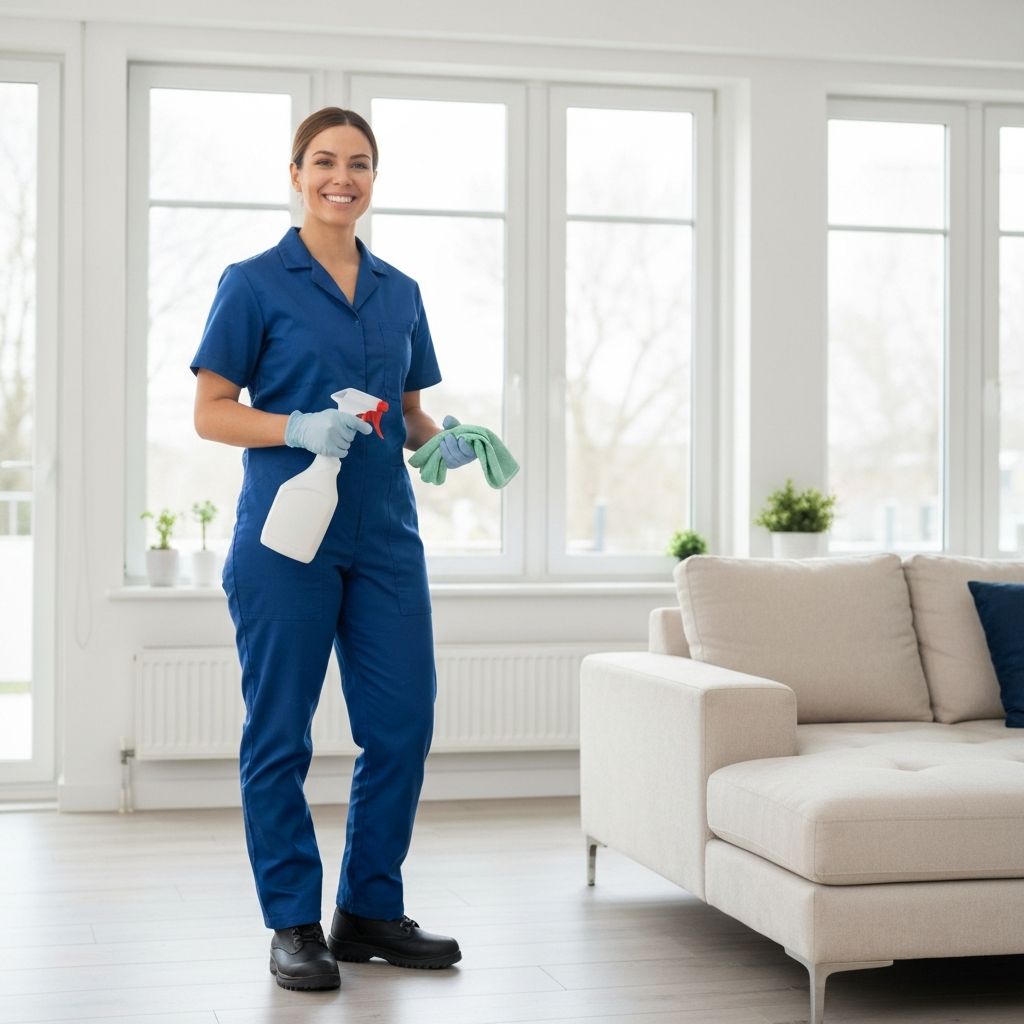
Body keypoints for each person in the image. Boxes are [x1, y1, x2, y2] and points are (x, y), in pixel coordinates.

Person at [190, 107, 479, 991]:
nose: (340, 177)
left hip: (386, 538)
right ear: (295, 172)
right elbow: (211, 411)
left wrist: (445, 441)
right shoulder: (253, 283)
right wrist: (293, 425)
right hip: (287, 539)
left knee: (401, 726)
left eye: (358, 164)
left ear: (373, 179)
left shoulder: (400, 290)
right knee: (280, 734)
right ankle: (293, 923)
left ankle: (369, 910)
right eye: (324, 161)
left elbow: (413, 412)